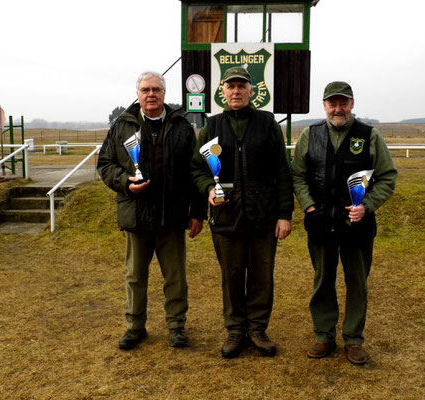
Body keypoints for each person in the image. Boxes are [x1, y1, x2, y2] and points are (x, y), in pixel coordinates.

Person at [97, 71, 206, 350]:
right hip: (135, 213)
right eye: (145, 89)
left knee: (175, 276)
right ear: (138, 94)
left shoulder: (181, 126)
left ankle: (176, 326)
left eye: (156, 89)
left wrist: (197, 212)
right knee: (135, 276)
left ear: (164, 93)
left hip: (172, 216)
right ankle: (135, 327)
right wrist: (125, 183)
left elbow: (195, 171)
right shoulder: (123, 126)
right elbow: (105, 164)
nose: (151, 94)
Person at [290, 81, 397, 364]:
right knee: (323, 280)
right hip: (320, 223)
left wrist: (368, 205)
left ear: (351, 104)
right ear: (324, 105)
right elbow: (297, 175)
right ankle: (324, 336)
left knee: (357, 283)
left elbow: (387, 177)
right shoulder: (310, 135)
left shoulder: (369, 135)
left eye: (343, 103)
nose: (338, 109)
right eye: (332, 103)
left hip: (357, 225)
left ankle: (353, 339)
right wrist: (309, 206)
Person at [191, 66, 294, 359]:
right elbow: (197, 169)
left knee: (262, 276)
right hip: (225, 218)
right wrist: (207, 190)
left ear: (251, 91)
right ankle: (235, 330)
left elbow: (282, 173)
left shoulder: (267, 123)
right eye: (230, 86)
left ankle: (258, 330)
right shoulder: (210, 128)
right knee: (232, 276)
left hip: (264, 217)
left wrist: (284, 214)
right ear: (221, 92)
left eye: (241, 86)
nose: (236, 92)